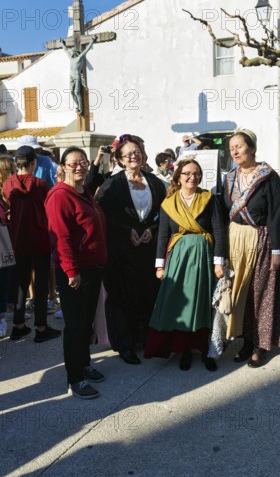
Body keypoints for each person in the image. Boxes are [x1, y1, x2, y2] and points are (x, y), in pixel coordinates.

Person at [144, 157, 225, 371]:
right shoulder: (168, 204)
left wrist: (219, 261)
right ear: (178, 177)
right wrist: (159, 266)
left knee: (204, 302)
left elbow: (218, 230)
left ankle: (207, 349)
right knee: (182, 302)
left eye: (196, 173)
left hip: (203, 255)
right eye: (187, 173)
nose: (192, 177)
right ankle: (185, 349)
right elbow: (162, 235)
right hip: (179, 257)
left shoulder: (208, 198)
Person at [222, 128, 280, 368]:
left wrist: (277, 250)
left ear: (251, 148)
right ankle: (244, 340)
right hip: (235, 239)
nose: (234, 151)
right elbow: (223, 212)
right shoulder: (230, 177)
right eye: (232, 148)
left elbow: (275, 215)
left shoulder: (267, 175)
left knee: (260, 291)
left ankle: (261, 345)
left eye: (239, 146)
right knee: (239, 292)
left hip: (261, 239)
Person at [96, 135, 166, 365]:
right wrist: (128, 231)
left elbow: (163, 214)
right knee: (121, 296)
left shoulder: (155, 182)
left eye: (137, 152)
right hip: (121, 248)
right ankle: (124, 344)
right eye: (128, 154)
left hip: (147, 247)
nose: (133, 156)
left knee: (146, 292)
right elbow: (103, 215)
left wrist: (153, 229)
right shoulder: (112, 184)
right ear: (120, 159)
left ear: (143, 155)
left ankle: (144, 337)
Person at [44, 146, 107, 400]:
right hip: (75, 271)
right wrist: (71, 270)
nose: (79, 166)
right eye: (73, 163)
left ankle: (84, 363)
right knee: (75, 326)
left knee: (85, 323)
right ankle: (75, 378)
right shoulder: (60, 196)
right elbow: (60, 237)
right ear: (62, 167)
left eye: (83, 162)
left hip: (92, 268)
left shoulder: (84, 191)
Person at [3, 146, 61, 343]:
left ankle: (19, 326)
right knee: (42, 283)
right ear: (33, 162)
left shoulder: (8, 184)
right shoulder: (40, 184)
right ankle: (41, 327)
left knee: (21, 283)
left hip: (19, 240)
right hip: (40, 238)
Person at [0, 155, 16, 338]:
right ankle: (2, 318)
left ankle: (9, 311)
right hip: (2, 238)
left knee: (9, 275)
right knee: (3, 278)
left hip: (8, 237)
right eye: (11, 169)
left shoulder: (9, 190)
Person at [61, 36, 97, 114]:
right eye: (72, 52)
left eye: (74, 52)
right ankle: (77, 105)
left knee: (77, 92)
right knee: (71, 91)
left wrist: (92, 41)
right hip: (71, 77)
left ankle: (81, 108)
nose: (72, 53)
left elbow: (86, 50)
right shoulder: (71, 58)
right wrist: (62, 44)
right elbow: (66, 51)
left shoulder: (80, 57)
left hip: (77, 77)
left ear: (76, 53)